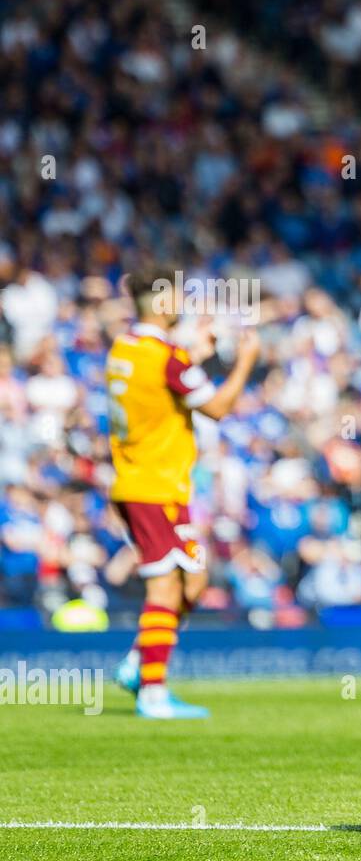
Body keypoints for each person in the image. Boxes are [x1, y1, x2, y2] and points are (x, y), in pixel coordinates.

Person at [109, 267, 260, 718]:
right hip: (154, 486)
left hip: (143, 482)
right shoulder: (167, 357)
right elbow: (217, 408)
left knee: (193, 578)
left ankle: (140, 660)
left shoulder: (125, 347)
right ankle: (152, 691)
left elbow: (159, 381)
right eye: (175, 297)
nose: (181, 305)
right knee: (165, 586)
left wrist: (193, 352)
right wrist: (246, 360)